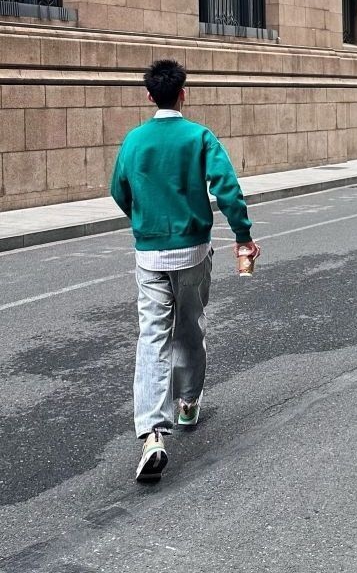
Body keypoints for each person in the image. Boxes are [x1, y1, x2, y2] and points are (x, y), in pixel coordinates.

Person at [111, 59, 260, 483]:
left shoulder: (134, 140)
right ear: (183, 93)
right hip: (193, 250)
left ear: (149, 95)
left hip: (150, 253)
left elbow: (118, 189)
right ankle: (188, 402)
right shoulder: (199, 137)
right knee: (190, 326)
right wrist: (243, 236)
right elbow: (227, 189)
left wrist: (144, 220)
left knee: (151, 336)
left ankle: (152, 433)